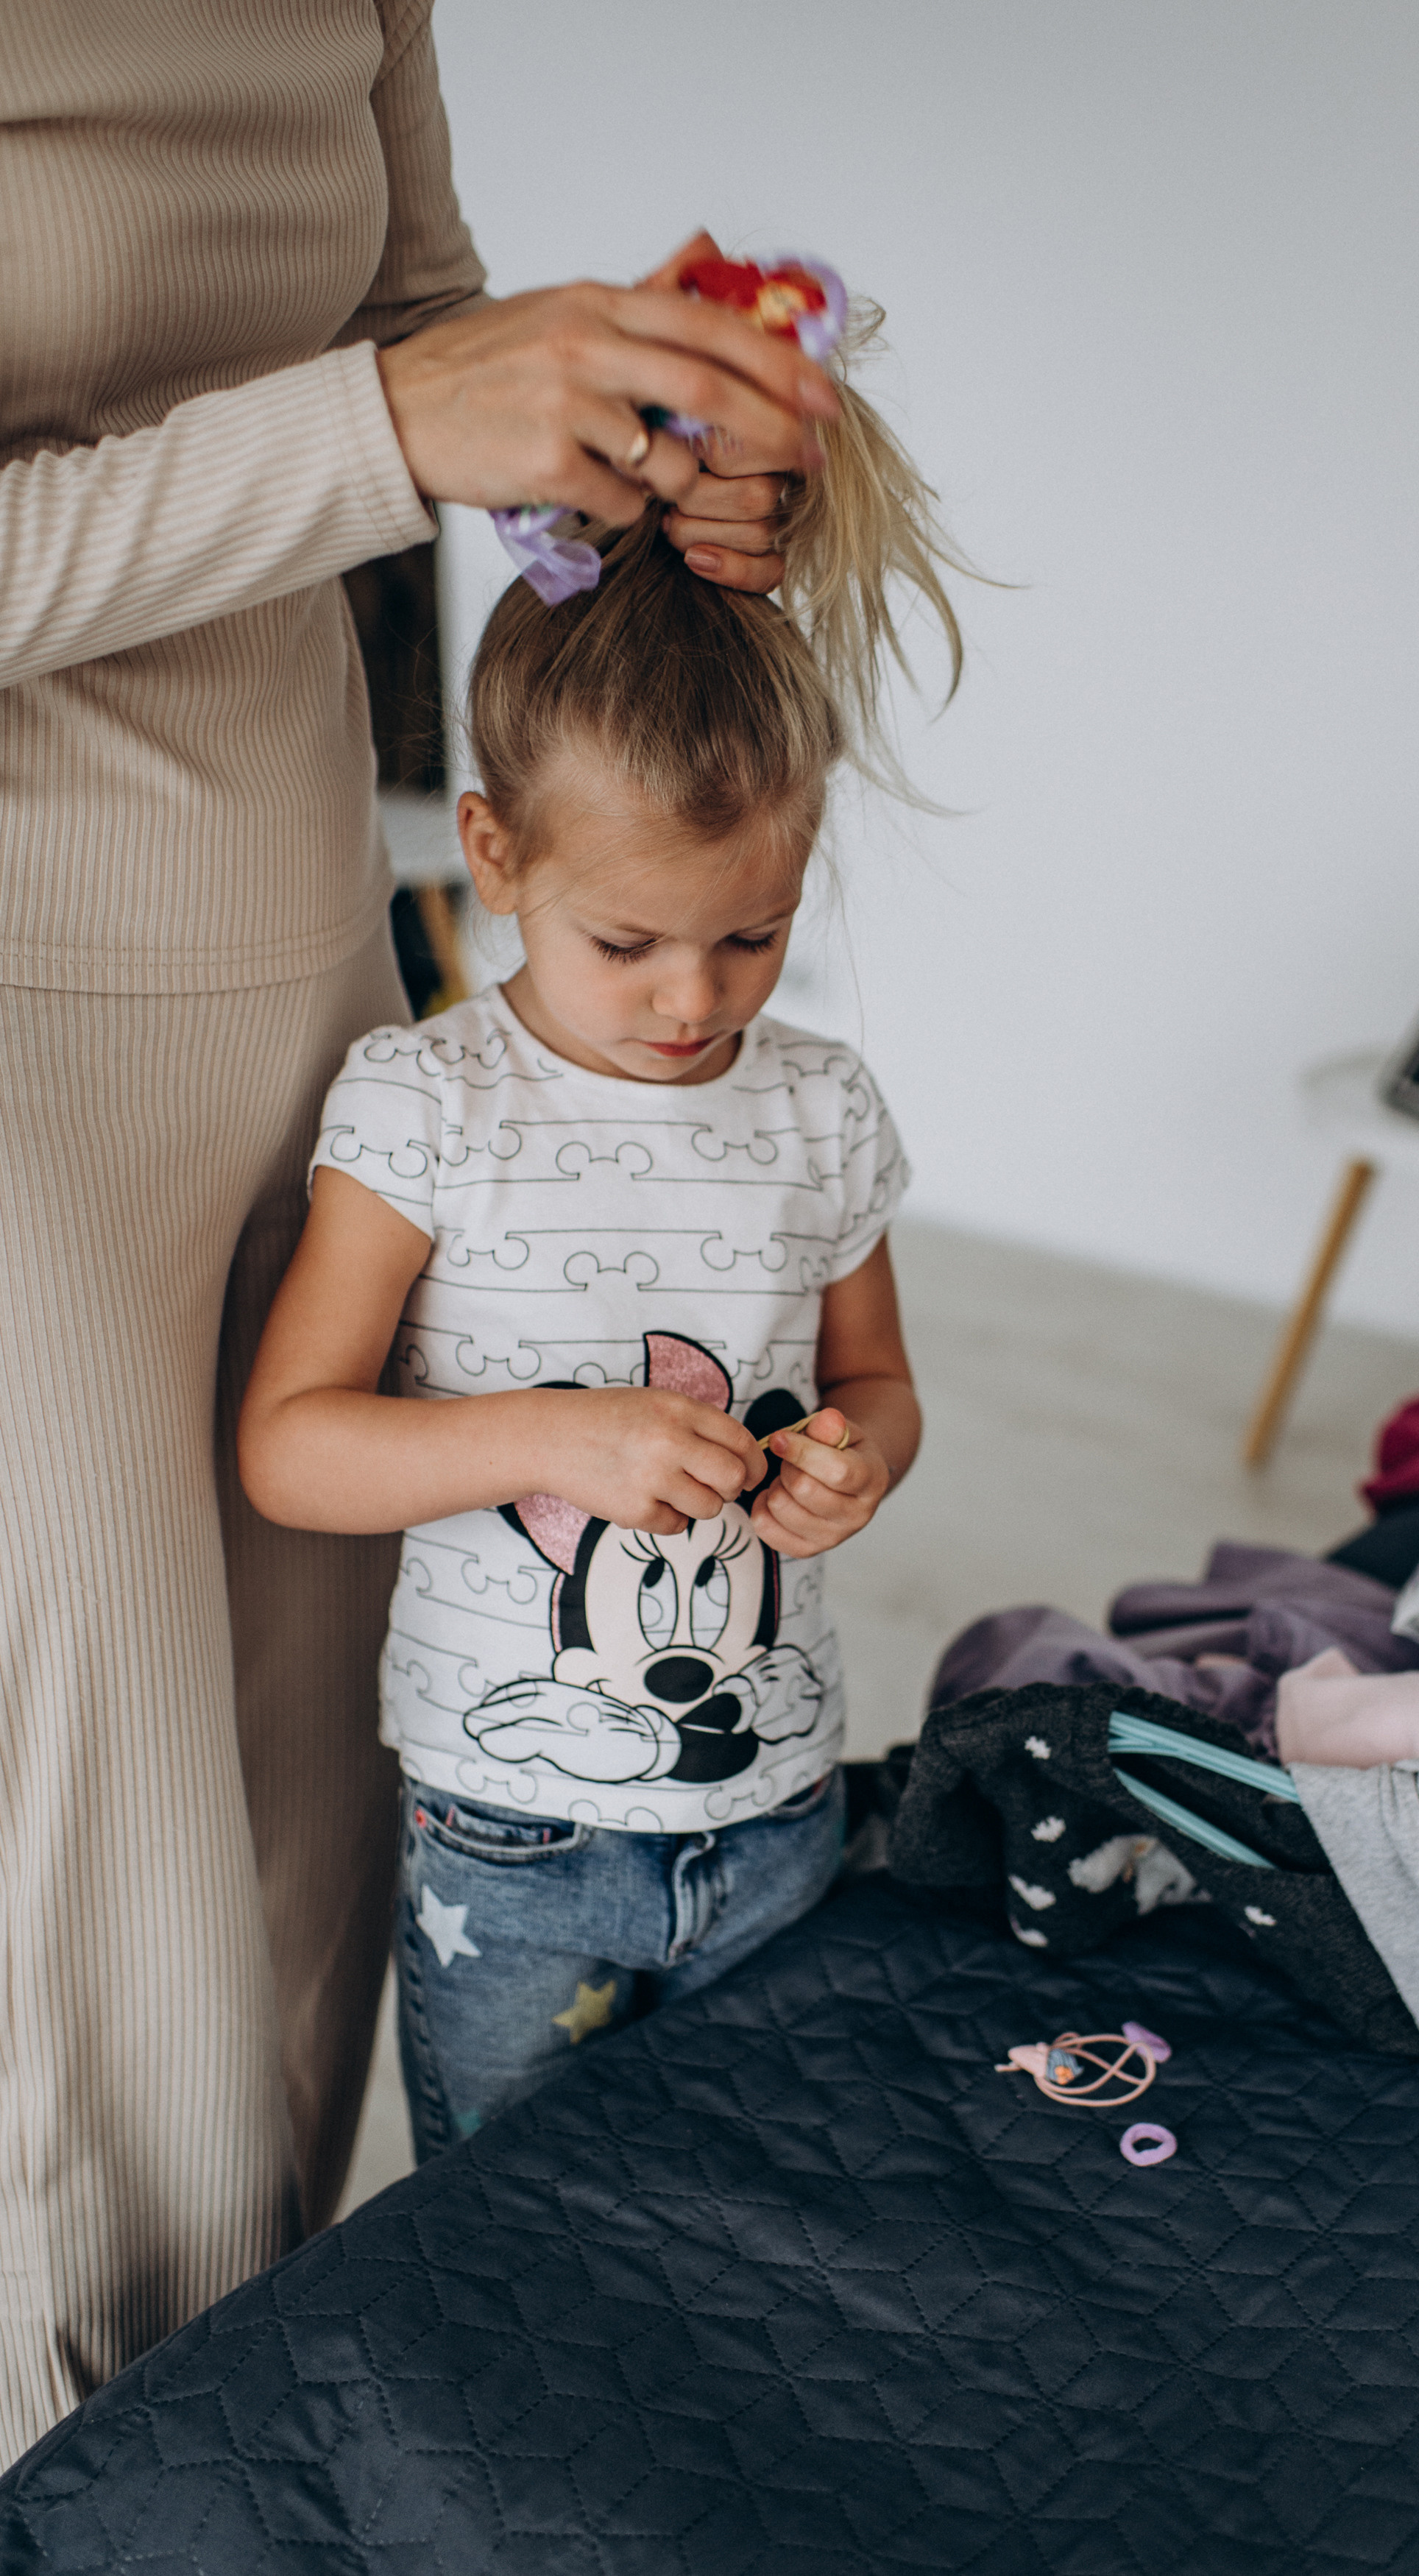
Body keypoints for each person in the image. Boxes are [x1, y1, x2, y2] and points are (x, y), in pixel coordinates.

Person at [0, 0, 840, 2460]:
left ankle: (254, 2440)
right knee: (97, 1876)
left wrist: (624, 444)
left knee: (319, 1814)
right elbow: (373, 419)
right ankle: (94, 2482)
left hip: (292, 933)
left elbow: (411, 327)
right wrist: (384, 435)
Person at [238, 342, 963, 2151]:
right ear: (495, 853)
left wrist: (858, 1458)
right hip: (513, 1829)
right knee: (497, 2238)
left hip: (779, 1796)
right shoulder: (424, 1104)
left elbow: (877, 1377)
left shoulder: (820, 1106)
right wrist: (563, 1435)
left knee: (740, 2207)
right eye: (628, 940)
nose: (690, 998)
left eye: (753, 937)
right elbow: (292, 1446)